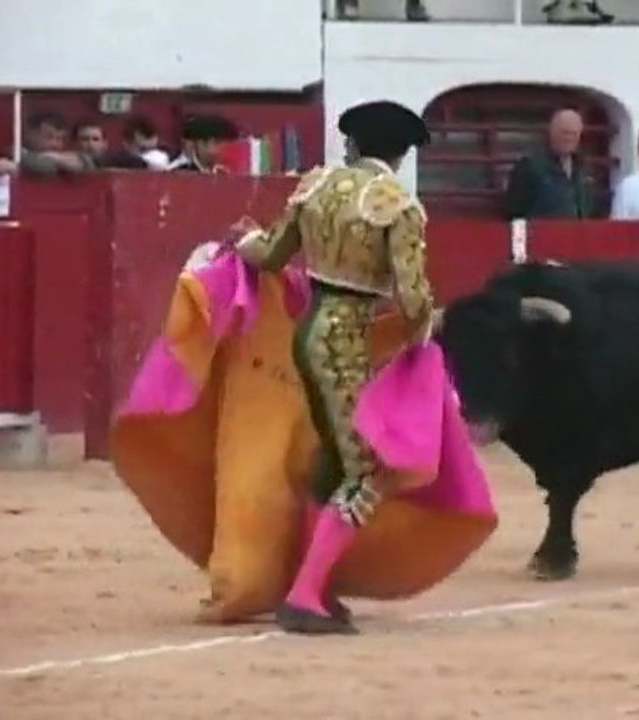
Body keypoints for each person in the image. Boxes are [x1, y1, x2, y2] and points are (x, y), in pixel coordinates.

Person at [231, 100, 434, 635]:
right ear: (403, 152)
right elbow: (413, 298)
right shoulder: (398, 205)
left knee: (335, 466)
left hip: (309, 332)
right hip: (343, 341)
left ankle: (314, 587)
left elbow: (272, 254)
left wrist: (243, 242)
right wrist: (422, 344)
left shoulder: (315, 187)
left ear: (353, 144)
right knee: (366, 472)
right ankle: (303, 596)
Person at [504, 108, 600, 220]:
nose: (569, 138)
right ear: (552, 132)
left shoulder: (583, 169)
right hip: (542, 236)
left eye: (574, 134)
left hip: (578, 236)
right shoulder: (529, 166)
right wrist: (521, 238)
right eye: (565, 132)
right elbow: (515, 215)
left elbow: (590, 212)